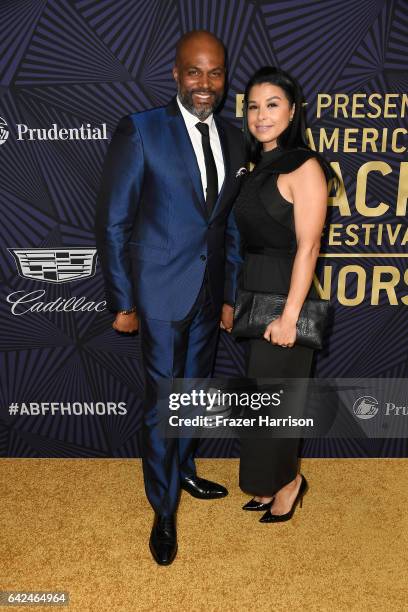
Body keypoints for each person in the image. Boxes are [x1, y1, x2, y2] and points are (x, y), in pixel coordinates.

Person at [95, 30, 246, 564]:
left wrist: (227, 297)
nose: (205, 84)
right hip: (158, 294)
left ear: (225, 78)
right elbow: (113, 223)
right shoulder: (141, 131)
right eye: (194, 72)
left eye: (215, 73)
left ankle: (183, 471)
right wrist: (123, 302)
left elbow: (226, 226)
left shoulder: (234, 138)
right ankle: (163, 509)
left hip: (207, 297)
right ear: (176, 74)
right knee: (164, 403)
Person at [226, 66, 336, 523]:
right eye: (253, 106)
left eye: (272, 105)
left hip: (283, 297)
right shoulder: (255, 167)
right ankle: (274, 481)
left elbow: (308, 246)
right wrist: (235, 301)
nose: (261, 115)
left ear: (292, 112)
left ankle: (289, 483)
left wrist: (289, 315)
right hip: (254, 293)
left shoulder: (304, 165)